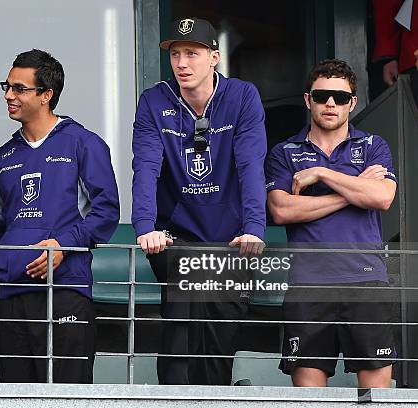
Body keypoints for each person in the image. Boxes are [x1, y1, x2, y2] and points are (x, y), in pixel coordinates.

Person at [0, 49, 120, 383]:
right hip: (12, 296)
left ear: (46, 95)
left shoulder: (84, 144)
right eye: (6, 86)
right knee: (15, 398)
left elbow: (106, 212)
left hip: (66, 291)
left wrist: (64, 244)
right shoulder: (3, 156)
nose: (8, 95)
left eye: (19, 88)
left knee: (69, 397)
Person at [131, 17, 267, 385]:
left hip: (230, 237)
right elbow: (145, 167)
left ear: (214, 58)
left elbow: (250, 165)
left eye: (192, 53)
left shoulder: (241, 96)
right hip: (175, 235)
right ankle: (177, 393)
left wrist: (254, 228)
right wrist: (145, 227)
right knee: (183, 298)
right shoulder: (154, 101)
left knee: (219, 309)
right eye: (175, 54)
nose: (182, 63)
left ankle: (213, 392)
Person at [266, 59, 397, 388]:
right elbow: (282, 210)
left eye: (340, 98)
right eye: (322, 95)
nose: (330, 104)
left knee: (376, 398)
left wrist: (322, 175)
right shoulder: (285, 152)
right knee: (310, 399)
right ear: (308, 99)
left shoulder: (373, 146)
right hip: (308, 284)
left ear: (352, 102)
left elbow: (382, 198)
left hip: (366, 280)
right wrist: (352, 191)